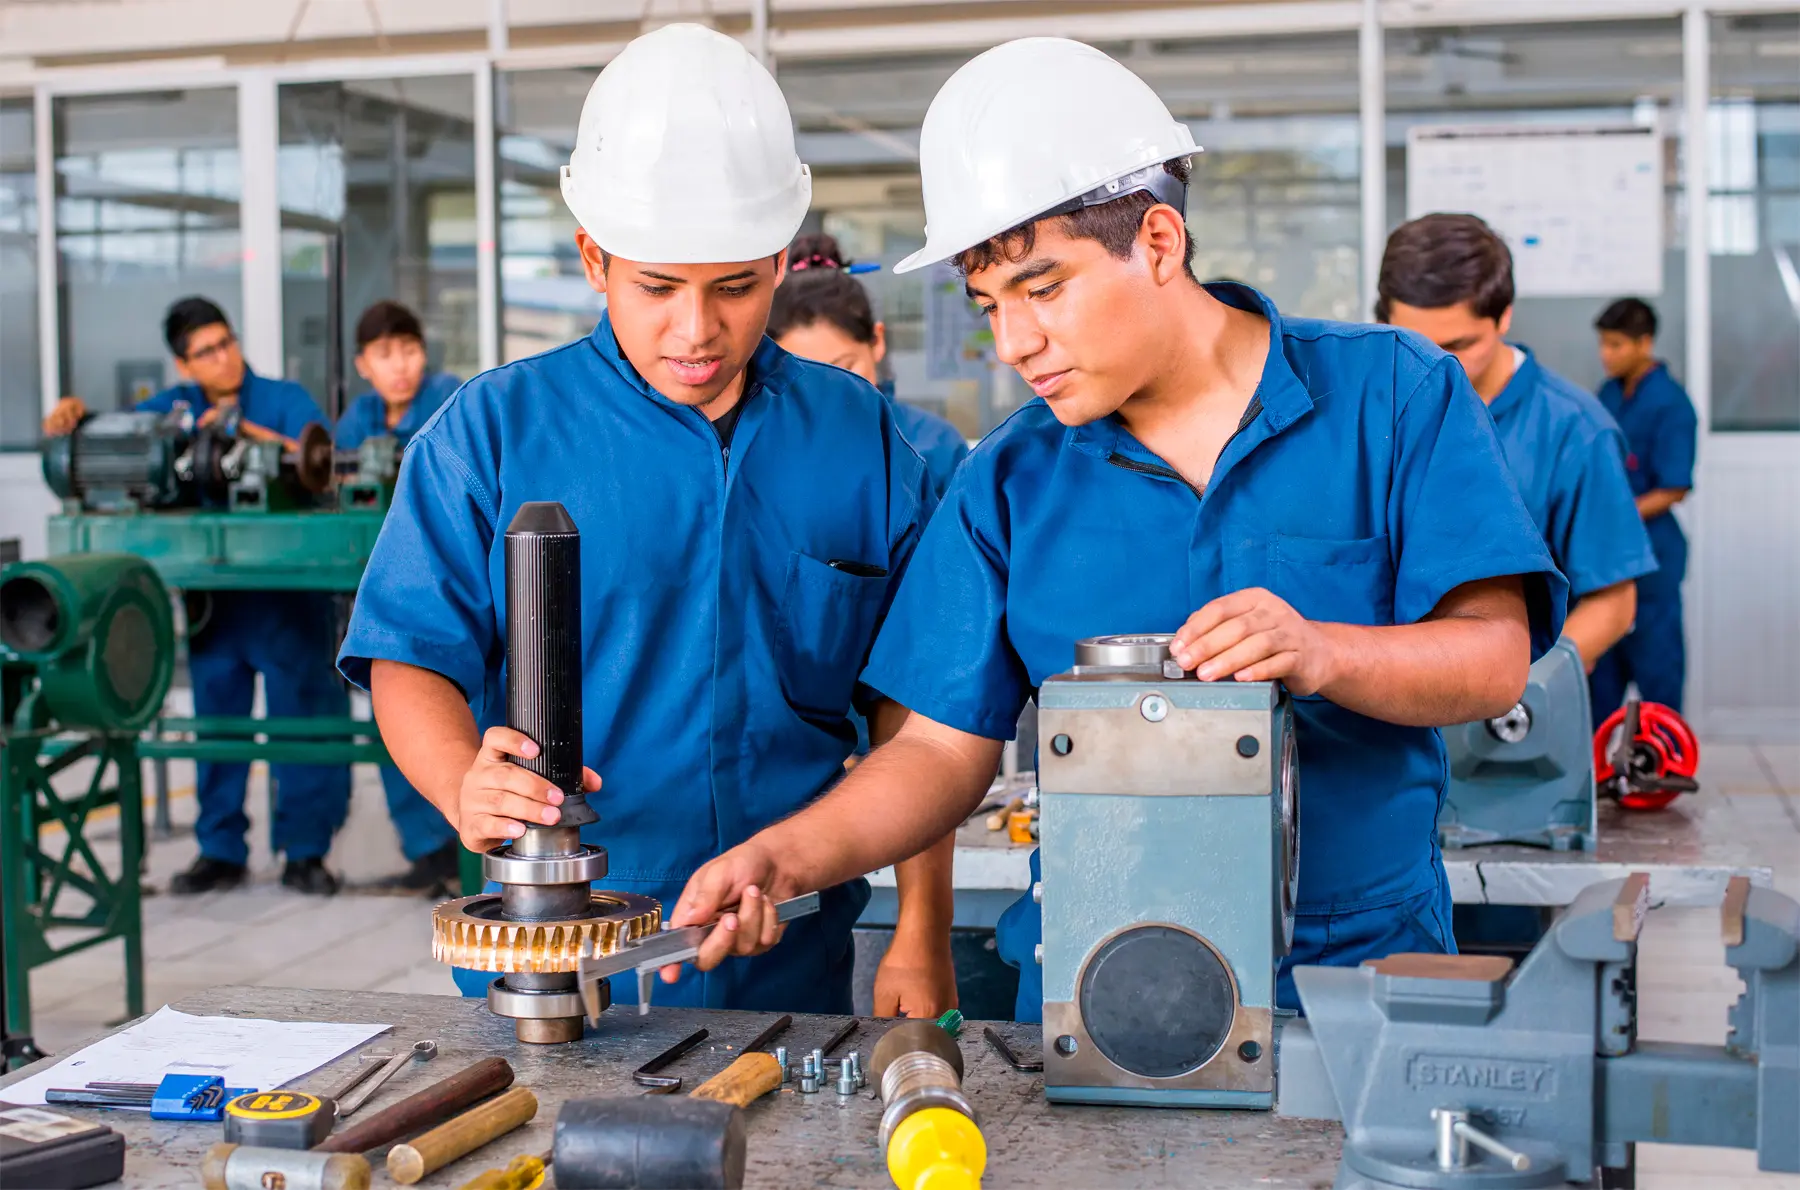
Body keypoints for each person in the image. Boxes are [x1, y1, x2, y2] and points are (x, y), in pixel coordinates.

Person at [658, 37, 1567, 1020]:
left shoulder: (1389, 394)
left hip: (1359, 978)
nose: (1015, 344)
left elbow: (1493, 658)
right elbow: (936, 750)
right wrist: (784, 854)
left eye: (1044, 288)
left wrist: (1321, 650)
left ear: (1161, 244)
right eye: (988, 304)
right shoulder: (1010, 476)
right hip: (1105, 984)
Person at [337, 23, 957, 1018]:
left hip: (785, 955)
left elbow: (923, 716)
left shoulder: (862, 441)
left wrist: (922, 933)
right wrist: (462, 781)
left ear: (780, 262)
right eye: (658, 286)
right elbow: (412, 651)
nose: (696, 329)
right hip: (543, 966)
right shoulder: (491, 432)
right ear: (594, 258)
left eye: (736, 287)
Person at [43, 297, 351, 895]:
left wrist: (240, 432)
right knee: (217, 725)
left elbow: (321, 461)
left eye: (226, 342)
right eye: (205, 352)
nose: (223, 358)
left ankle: (307, 851)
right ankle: (220, 850)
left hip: (288, 599)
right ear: (184, 365)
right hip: (216, 602)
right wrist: (77, 417)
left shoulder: (285, 400)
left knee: (304, 724)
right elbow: (123, 437)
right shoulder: (173, 412)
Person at [1377, 214, 1655, 673]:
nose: (1434, 364)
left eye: (1459, 344)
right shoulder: (1369, 408)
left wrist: (1518, 692)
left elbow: (1614, 600)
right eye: (1413, 342)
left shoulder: (1574, 430)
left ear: (1503, 315)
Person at [333, 300, 464, 894]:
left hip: (442, 591)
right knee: (393, 715)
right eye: (385, 354)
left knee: (454, 718)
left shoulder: (451, 402)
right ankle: (425, 853)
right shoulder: (355, 422)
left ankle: (459, 846)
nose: (400, 365)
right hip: (371, 591)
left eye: (408, 349)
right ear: (363, 364)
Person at [769, 233, 970, 500]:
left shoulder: (935, 447)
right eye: (804, 377)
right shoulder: (761, 452)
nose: (827, 394)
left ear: (876, 341)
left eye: (844, 368)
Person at [1592, 297, 1697, 717]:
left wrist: (1616, 513)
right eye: (1603, 343)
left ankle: (1660, 771)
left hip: (1652, 555)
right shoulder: (1608, 394)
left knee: (1657, 669)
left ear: (1645, 343)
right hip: (1606, 555)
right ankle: (1598, 774)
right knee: (1601, 675)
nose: (1606, 354)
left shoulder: (1671, 404)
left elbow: (1674, 487)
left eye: (1616, 345)